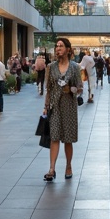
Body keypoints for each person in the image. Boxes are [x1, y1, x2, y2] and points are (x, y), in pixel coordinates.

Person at [43, 37, 82, 181]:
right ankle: (52, 169)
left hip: (69, 107)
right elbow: (49, 89)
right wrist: (46, 107)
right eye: (56, 46)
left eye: (61, 46)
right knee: (54, 137)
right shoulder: (51, 67)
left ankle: (68, 166)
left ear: (68, 49)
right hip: (54, 106)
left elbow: (80, 88)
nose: (58, 48)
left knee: (68, 139)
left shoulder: (75, 67)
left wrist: (71, 89)